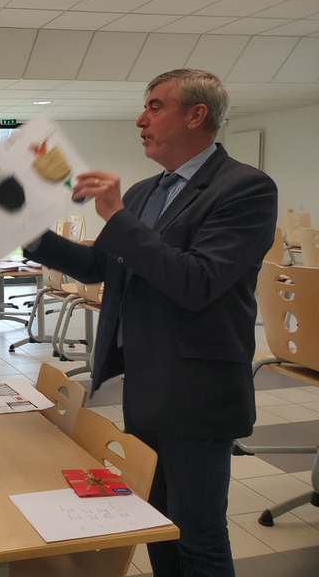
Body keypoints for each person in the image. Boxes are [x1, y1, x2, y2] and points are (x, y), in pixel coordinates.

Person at [23, 69, 278, 577]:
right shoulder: (144, 192)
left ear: (197, 115)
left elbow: (197, 281)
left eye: (155, 107)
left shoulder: (245, 188)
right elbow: (102, 267)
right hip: (145, 385)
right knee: (158, 525)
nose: (140, 120)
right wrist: (32, 234)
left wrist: (116, 217)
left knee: (198, 537)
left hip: (199, 393)